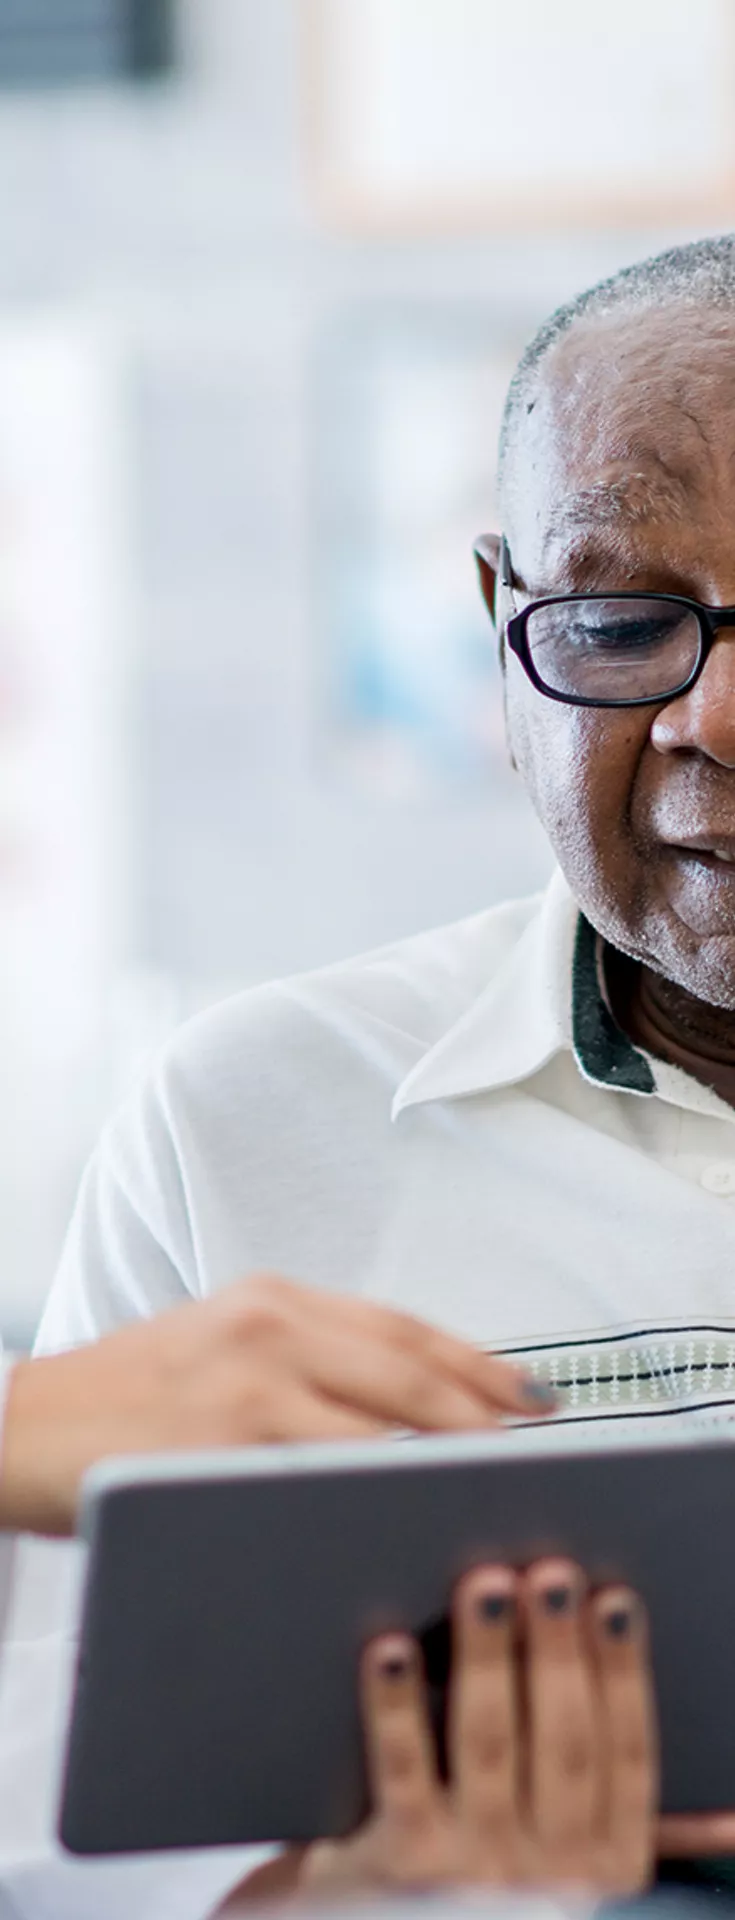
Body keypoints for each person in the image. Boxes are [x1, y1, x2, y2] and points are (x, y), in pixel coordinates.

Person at [12, 227, 735, 1904]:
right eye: (624, 624)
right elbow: (53, 1833)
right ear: (502, 632)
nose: (713, 722)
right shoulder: (250, 1120)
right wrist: (353, 1886)